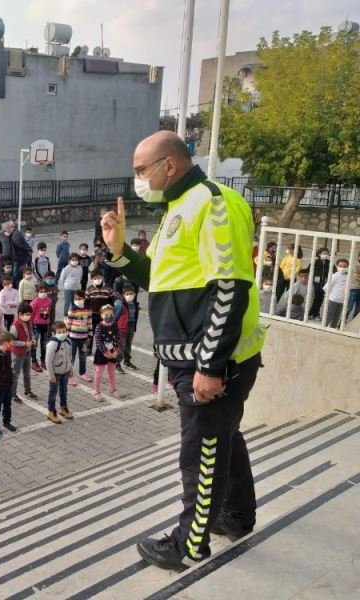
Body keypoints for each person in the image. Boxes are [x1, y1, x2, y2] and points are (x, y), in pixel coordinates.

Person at [101, 130, 265, 571]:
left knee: (201, 450)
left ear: (168, 165)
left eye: (141, 171)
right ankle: (236, 515)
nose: (137, 180)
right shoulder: (179, 207)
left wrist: (210, 365)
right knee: (223, 436)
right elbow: (157, 277)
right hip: (195, 357)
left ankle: (187, 544)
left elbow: (229, 287)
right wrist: (118, 253)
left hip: (211, 360)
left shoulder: (213, 204)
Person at [45, 320, 73, 424]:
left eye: (64, 331)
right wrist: (51, 375)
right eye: (59, 332)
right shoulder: (52, 344)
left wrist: (71, 369)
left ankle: (64, 408)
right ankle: (51, 412)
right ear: (54, 333)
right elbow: (48, 360)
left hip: (65, 372)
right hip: (56, 373)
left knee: (64, 391)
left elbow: (69, 357)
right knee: (53, 392)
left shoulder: (68, 341)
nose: (62, 334)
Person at [9, 303, 37, 403]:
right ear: (20, 314)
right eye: (27, 314)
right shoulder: (15, 326)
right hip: (18, 353)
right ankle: (12, 394)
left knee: (27, 373)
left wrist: (33, 339)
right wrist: (25, 343)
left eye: (30, 314)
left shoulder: (28, 322)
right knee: (15, 374)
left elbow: (31, 333)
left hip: (27, 351)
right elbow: (12, 341)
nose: (28, 316)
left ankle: (28, 391)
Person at [92, 304, 121, 400]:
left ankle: (113, 390)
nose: (109, 316)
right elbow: (98, 341)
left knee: (112, 372)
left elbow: (118, 338)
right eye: (106, 314)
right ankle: (97, 392)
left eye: (111, 314)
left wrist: (116, 350)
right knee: (99, 373)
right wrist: (106, 352)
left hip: (113, 352)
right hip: (102, 353)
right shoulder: (99, 326)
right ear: (101, 315)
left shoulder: (115, 324)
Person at [66, 289, 93, 386]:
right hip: (73, 338)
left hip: (84, 339)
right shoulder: (72, 309)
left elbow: (90, 323)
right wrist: (67, 336)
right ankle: (68, 376)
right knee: (71, 357)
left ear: (84, 298)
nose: (77, 300)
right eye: (75, 299)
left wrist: (89, 336)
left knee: (83, 356)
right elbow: (68, 323)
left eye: (79, 298)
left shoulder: (88, 309)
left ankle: (82, 373)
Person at [115, 286, 139, 370]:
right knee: (121, 345)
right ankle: (117, 363)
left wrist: (134, 328)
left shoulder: (134, 304)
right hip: (122, 327)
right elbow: (115, 316)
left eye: (131, 294)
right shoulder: (120, 304)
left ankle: (127, 361)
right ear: (123, 295)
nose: (129, 295)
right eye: (127, 294)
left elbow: (135, 316)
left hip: (131, 326)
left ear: (135, 294)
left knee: (128, 344)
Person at [30, 285, 53, 371]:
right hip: (36, 324)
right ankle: (34, 362)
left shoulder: (49, 301)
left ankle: (43, 361)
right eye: (41, 291)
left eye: (44, 291)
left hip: (45, 324)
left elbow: (49, 310)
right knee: (34, 343)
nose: (43, 293)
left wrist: (48, 320)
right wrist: (31, 325)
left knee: (44, 344)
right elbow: (31, 314)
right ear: (37, 293)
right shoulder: (34, 302)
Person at [324, 258, 350, 328]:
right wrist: (328, 295)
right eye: (340, 266)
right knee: (329, 315)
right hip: (333, 299)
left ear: (348, 267)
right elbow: (327, 287)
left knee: (337, 317)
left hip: (341, 300)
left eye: (345, 266)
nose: (342, 268)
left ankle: (333, 328)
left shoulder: (348, 277)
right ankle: (324, 327)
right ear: (337, 266)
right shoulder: (334, 275)